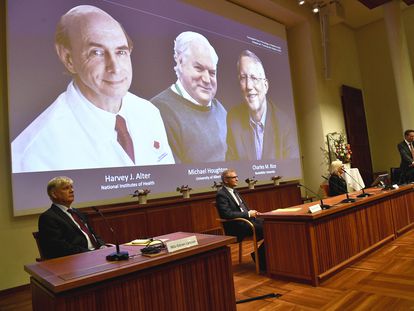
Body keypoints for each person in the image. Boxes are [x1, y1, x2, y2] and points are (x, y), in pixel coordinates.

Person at [12, 5, 174, 172]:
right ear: (68, 59)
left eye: (121, 52)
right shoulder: (34, 153)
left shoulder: (149, 113)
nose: (115, 68)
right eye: (97, 52)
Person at [151, 31, 227, 163]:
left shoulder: (220, 110)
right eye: (199, 68)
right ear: (180, 62)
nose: (207, 79)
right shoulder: (157, 110)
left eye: (212, 72)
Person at [226, 50, 298, 161]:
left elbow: (290, 169)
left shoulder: (285, 125)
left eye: (254, 78)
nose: (248, 86)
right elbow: (230, 167)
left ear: (266, 86)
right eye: (243, 78)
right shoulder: (233, 119)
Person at [38, 176, 105, 259]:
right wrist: (91, 253)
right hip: (76, 260)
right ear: (54, 194)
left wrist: (102, 246)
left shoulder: (77, 212)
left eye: (71, 187)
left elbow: (94, 235)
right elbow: (60, 248)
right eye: (66, 188)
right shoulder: (48, 217)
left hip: (96, 254)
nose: (72, 191)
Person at [216, 169, 266, 271]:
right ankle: (260, 258)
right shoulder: (221, 194)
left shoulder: (235, 191)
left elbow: (242, 208)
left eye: (236, 177)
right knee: (268, 228)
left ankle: (260, 256)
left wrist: (252, 212)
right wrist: (248, 214)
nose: (237, 179)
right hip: (237, 226)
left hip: (247, 221)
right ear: (226, 180)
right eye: (234, 177)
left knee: (270, 224)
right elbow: (226, 214)